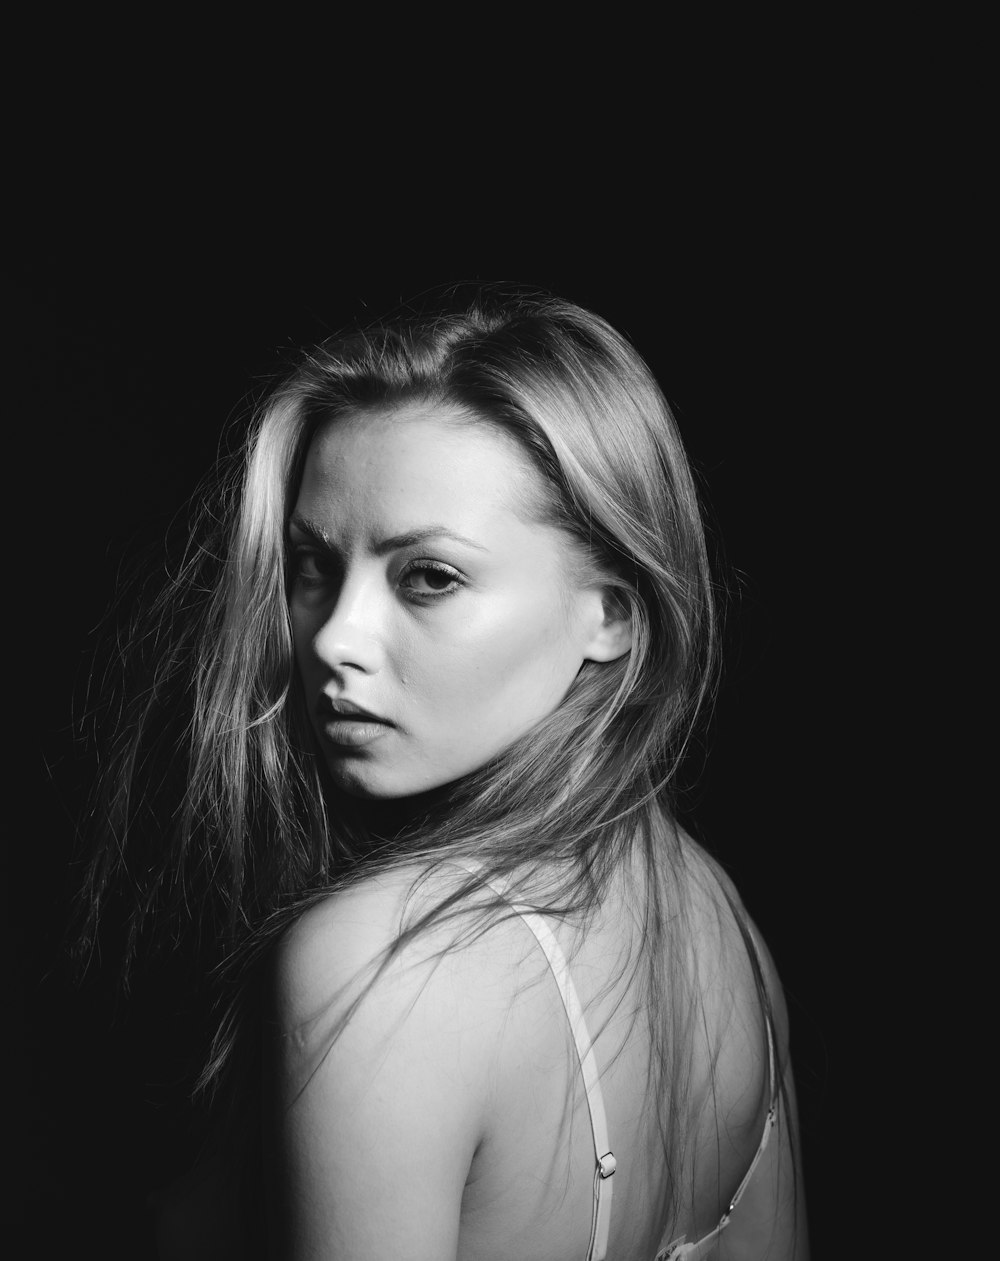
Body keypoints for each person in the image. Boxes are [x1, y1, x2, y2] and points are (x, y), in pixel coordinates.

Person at [78, 286, 808, 1259]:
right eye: (311, 564)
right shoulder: (715, 914)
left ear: (613, 614)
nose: (334, 637)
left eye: (429, 576)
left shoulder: (381, 971)